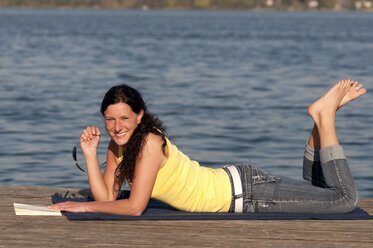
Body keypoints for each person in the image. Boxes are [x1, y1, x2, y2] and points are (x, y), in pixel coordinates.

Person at [50, 79, 367, 215]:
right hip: (240, 188)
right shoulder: (118, 147)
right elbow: (107, 197)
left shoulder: (149, 142)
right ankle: (321, 118)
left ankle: (325, 115)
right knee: (319, 190)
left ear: (140, 116)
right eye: (109, 120)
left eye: (124, 118)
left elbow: (133, 207)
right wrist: (91, 155)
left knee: (343, 200)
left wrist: (82, 206)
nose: (116, 127)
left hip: (247, 192)